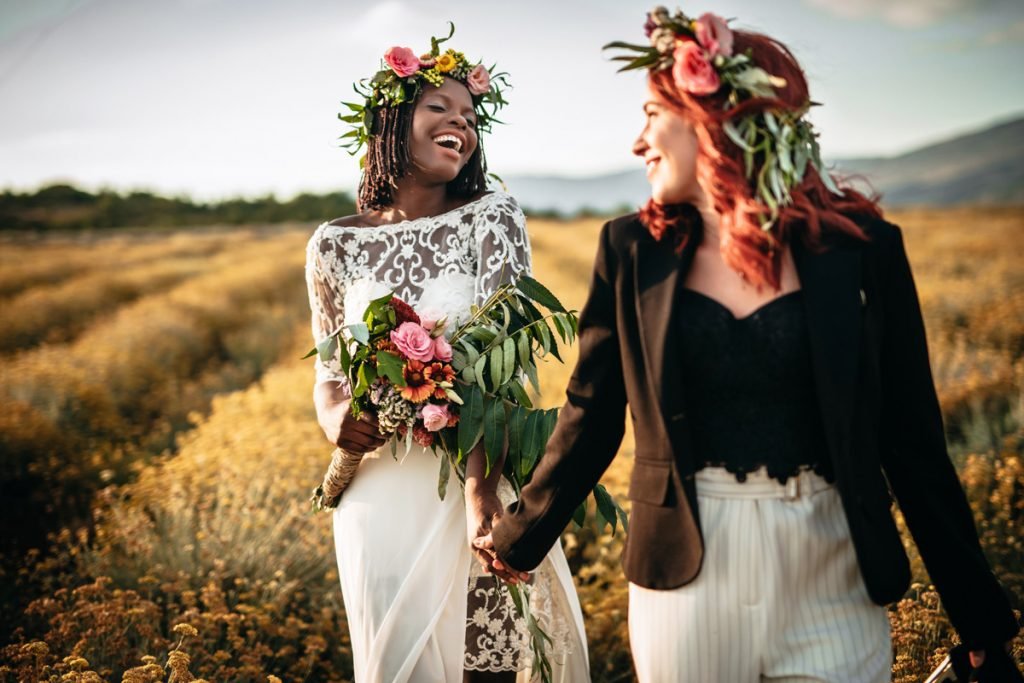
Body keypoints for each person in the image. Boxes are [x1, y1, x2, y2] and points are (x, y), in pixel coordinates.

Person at [474, 7, 1021, 682]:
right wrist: (519, 536)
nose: (638, 142)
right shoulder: (630, 251)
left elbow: (913, 442)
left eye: (652, 113)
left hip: (836, 564)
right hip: (686, 572)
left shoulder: (865, 250)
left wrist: (981, 623)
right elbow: (591, 411)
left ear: (716, 113)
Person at [304, 27, 590, 683]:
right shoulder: (331, 245)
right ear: (391, 119)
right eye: (441, 107)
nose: (460, 122)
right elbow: (327, 374)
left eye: (470, 116)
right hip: (376, 494)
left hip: (475, 480)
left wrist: (480, 490)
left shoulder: (493, 214)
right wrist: (335, 420)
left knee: (488, 665)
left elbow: (508, 366)